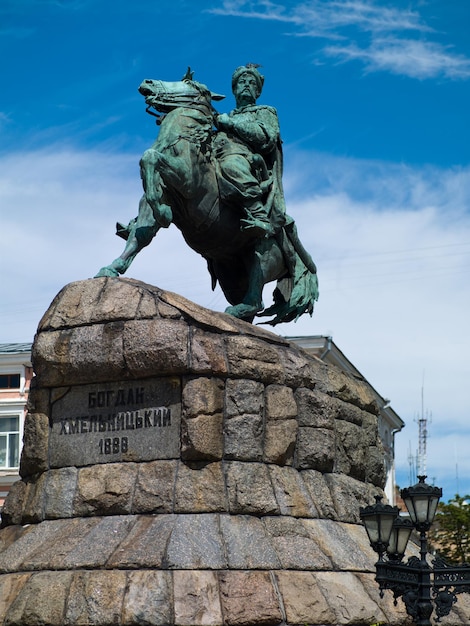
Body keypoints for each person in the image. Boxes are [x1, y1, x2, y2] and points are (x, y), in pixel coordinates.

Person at [214, 64, 286, 237]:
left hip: (249, 163)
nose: (246, 84)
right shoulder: (225, 117)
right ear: (234, 89)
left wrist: (231, 124)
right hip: (218, 157)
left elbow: (265, 137)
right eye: (242, 82)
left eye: (252, 83)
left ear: (258, 92)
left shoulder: (265, 111)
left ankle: (258, 215)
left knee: (231, 165)